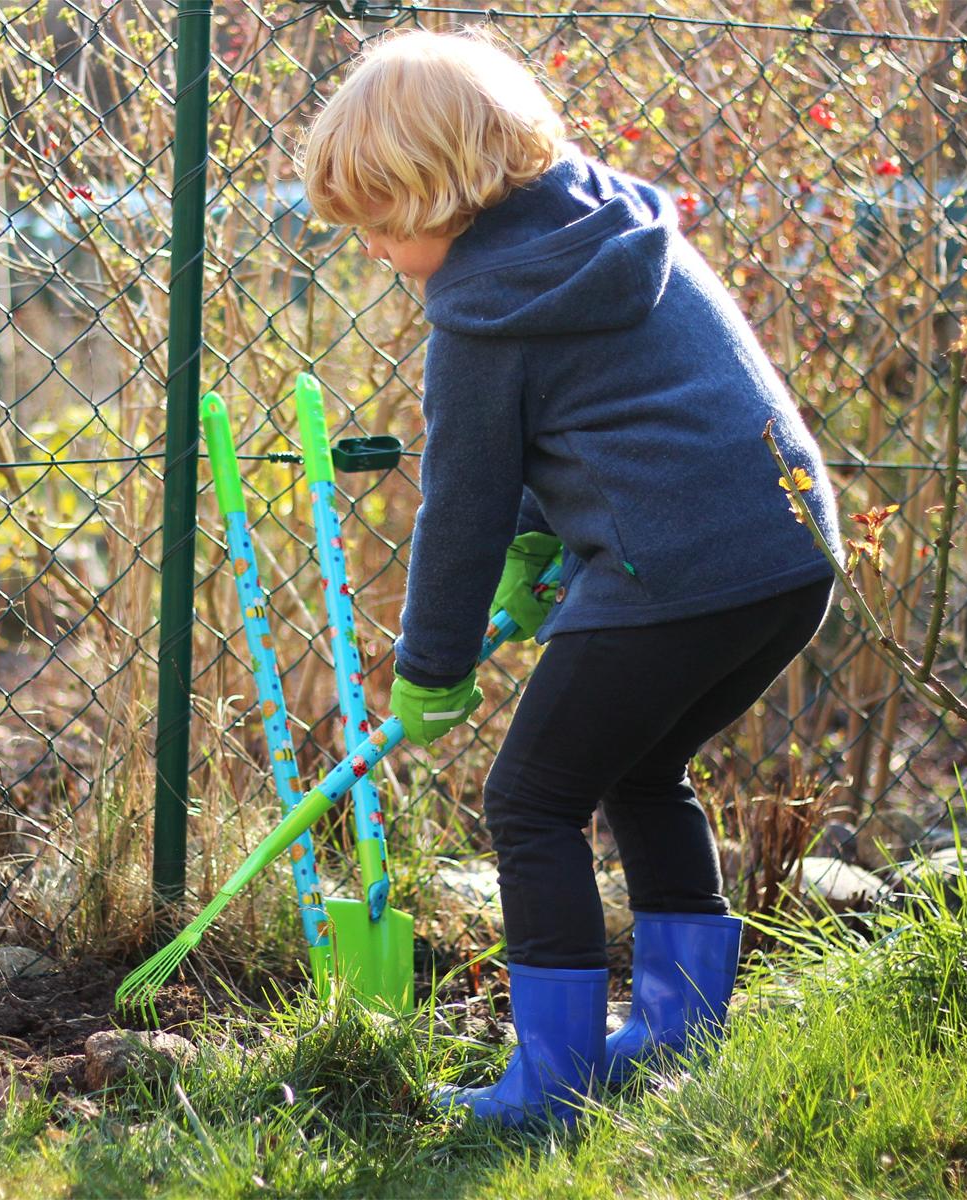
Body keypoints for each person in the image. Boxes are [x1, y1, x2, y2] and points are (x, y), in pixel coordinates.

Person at [300, 28, 841, 1127]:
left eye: (373, 226)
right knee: (642, 772)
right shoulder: (612, 223)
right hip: (785, 549)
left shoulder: (479, 315)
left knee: (530, 799)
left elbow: (460, 507)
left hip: (672, 568)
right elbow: (625, 407)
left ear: (426, 197)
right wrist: (549, 540)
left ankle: (551, 1082)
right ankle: (677, 1040)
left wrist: (430, 666)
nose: (371, 252)